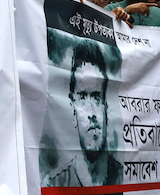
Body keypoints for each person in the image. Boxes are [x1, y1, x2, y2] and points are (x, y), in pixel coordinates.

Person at [43, 41, 122, 187]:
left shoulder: (123, 175)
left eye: (97, 96)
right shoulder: (54, 184)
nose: (91, 112)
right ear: (72, 105)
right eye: (82, 97)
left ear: (106, 105)